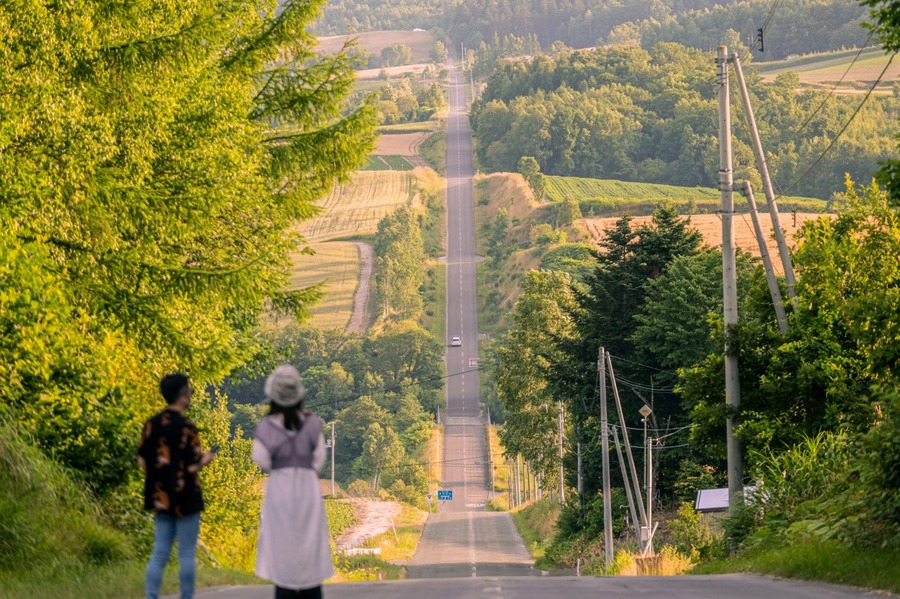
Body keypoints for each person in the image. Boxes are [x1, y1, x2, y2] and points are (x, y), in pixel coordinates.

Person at [253, 364, 333, 599]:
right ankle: (311, 589)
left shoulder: (267, 425)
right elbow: (319, 458)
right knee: (309, 538)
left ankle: (285, 588)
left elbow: (261, 459)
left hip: (280, 484)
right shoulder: (311, 422)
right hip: (307, 484)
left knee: (282, 540)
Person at [138, 373, 216, 599]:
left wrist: (157, 479)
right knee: (186, 553)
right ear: (182, 395)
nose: (191, 394)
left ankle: (151, 595)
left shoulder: (152, 424)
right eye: (189, 391)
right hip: (186, 496)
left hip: (160, 495)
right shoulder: (187, 427)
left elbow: (142, 459)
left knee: (160, 551)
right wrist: (206, 458)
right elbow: (192, 467)